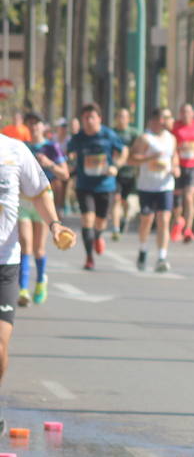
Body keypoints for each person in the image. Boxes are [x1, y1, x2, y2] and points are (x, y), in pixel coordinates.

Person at [1, 133, 75, 408]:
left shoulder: (14, 151)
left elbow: (40, 191)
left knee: (0, 346)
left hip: (4, 262)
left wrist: (55, 224)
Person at [65, 103, 128, 271]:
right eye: (85, 118)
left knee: (100, 222)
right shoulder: (78, 138)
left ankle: (98, 236)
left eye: (92, 117)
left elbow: (123, 151)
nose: (88, 121)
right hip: (84, 184)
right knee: (87, 219)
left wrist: (116, 165)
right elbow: (68, 152)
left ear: (99, 119)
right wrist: (70, 161)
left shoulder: (109, 135)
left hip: (105, 185)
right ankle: (89, 257)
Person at [17, 114, 69, 306]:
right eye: (30, 124)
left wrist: (49, 164)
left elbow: (65, 174)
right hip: (23, 200)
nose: (34, 127)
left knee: (39, 248)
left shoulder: (51, 147)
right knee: (25, 243)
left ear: (43, 126)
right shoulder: (22, 147)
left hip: (44, 199)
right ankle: (23, 288)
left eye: (36, 124)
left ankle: (40, 281)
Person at [127, 106, 180, 273]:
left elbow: (174, 157)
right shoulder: (145, 138)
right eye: (165, 118)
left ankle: (162, 257)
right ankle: (143, 250)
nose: (168, 122)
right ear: (157, 120)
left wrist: (176, 168)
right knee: (147, 220)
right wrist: (150, 157)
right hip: (147, 186)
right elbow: (131, 159)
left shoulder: (171, 138)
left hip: (165, 185)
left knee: (164, 220)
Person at [171, 103, 194, 241]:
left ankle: (188, 228)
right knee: (177, 200)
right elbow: (171, 144)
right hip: (178, 166)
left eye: (188, 112)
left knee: (189, 196)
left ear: (193, 113)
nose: (185, 114)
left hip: (193, 166)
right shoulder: (175, 126)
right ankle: (177, 222)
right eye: (182, 112)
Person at [111, 107, 138, 238]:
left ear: (128, 119)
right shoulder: (112, 133)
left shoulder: (133, 133)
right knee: (116, 199)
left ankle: (125, 219)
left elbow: (139, 149)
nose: (121, 119)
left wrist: (130, 154)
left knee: (124, 201)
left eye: (124, 116)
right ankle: (116, 229)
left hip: (129, 172)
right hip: (115, 171)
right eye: (119, 116)